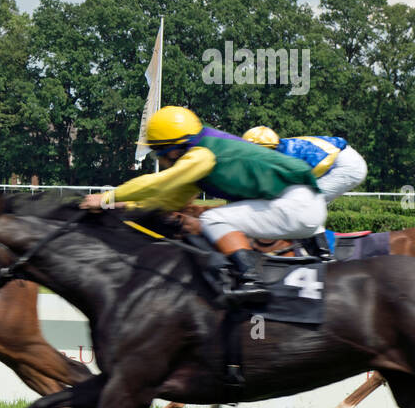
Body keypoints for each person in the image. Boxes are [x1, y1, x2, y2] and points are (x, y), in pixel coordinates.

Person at [77, 106, 325, 304]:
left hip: (297, 205)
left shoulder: (202, 156)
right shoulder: (199, 160)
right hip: (298, 205)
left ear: (172, 151)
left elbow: (161, 182)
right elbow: (166, 201)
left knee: (212, 220)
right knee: (215, 221)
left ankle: (251, 281)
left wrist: (107, 197)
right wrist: (122, 207)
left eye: (157, 154)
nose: (159, 161)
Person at [241, 126, 367, 260]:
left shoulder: (285, 157)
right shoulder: (277, 150)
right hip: (340, 158)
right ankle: (318, 245)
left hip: (347, 166)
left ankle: (323, 253)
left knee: (305, 204)